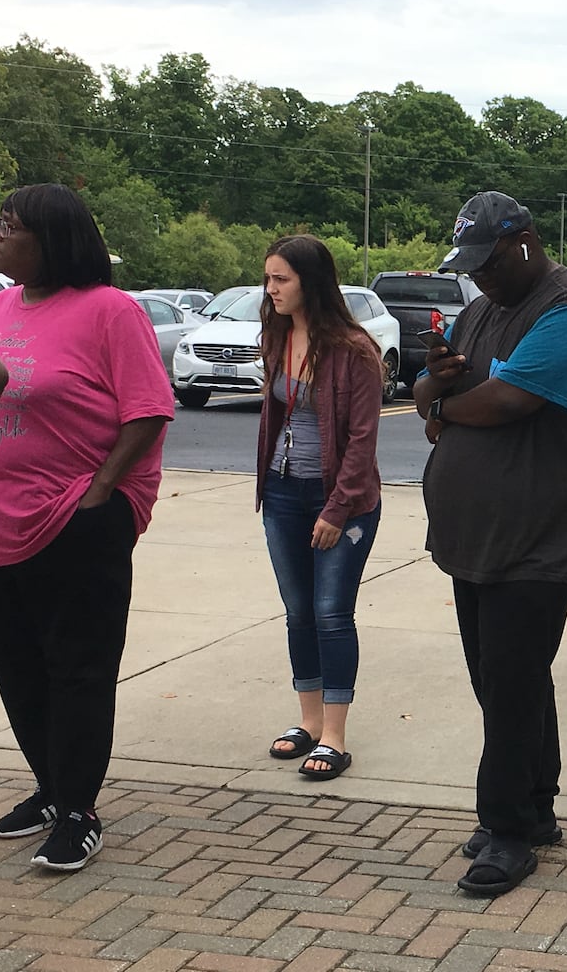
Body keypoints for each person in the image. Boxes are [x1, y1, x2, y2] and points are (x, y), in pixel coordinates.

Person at [417, 191, 567, 895]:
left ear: (526, 243)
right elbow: (423, 391)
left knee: (507, 683)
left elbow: (507, 402)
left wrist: (444, 406)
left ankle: (505, 831)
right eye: (471, 266)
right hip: (476, 535)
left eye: (490, 262)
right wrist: (434, 387)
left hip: (537, 535)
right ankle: (533, 807)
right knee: (507, 678)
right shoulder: (481, 310)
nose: (481, 278)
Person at [0, 184, 174, 871]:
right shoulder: (1, 306)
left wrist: (98, 495)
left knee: (77, 669)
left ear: (50, 238)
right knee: (15, 666)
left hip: (77, 517)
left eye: (8, 225)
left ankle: (77, 810)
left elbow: (150, 409)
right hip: (1, 519)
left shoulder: (110, 311)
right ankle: (49, 788)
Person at [256, 235, 384, 781]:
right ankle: (308, 722)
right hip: (283, 493)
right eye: (268, 278)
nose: (271, 289)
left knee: (332, 614)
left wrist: (336, 510)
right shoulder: (277, 335)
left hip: (341, 501)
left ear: (310, 280)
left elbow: (361, 441)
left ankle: (334, 735)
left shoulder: (353, 349)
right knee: (298, 612)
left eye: (280, 278)